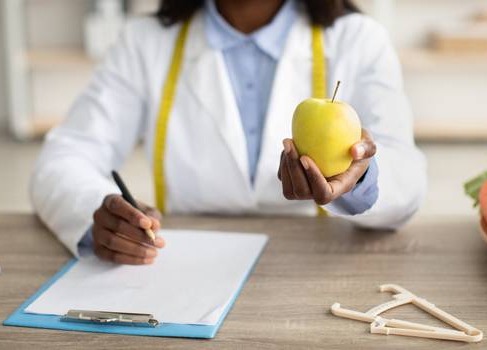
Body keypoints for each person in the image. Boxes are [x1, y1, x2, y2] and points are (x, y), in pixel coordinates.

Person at [30, 0, 426, 265]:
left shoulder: (359, 38)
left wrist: (359, 180)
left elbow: (406, 180)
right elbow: (65, 157)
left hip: (313, 272)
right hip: (183, 268)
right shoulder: (145, 41)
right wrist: (97, 211)